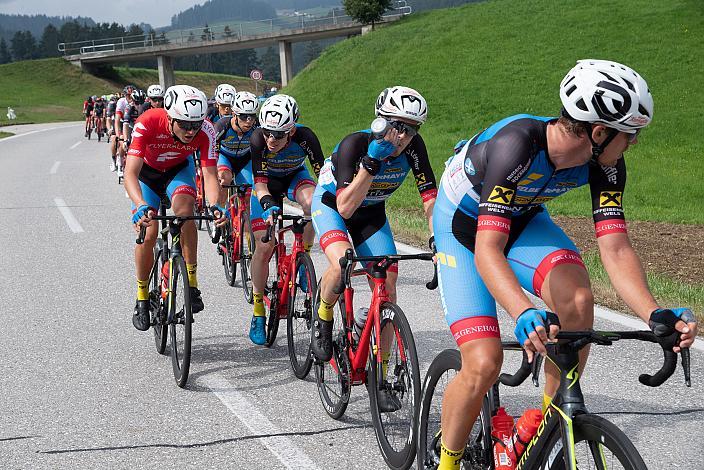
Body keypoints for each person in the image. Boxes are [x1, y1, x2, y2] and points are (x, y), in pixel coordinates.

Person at [431, 59, 698, 469]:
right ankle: (447, 459)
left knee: (576, 297)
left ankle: (544, 423)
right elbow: (487, 248)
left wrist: (653, 312)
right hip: (463, 227)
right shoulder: (517, 144)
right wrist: (522, 311)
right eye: (631, 134)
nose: (635, 143)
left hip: (522, 218)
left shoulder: (605, 162)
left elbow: (616, 248)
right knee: (484, 362)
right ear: (598, 131)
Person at [309, 86, 437, 381]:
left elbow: (429, 197)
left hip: (372, 213)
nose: (404, 137)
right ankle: (324, 314)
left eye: (413, 129)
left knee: (388, 286)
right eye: (398, 127)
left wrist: (436, 240)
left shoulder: (414, 147)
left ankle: (381, 374)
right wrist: (371, 163)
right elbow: (345, 208)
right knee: (343, 263)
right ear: (381, 121)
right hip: (333, 205)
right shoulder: (355, 144)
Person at [126, 85, 226, 331]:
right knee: (148, 232)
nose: (191, 131)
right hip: (147, 175)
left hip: (177, 171)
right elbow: (130, 173)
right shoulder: (147, 122)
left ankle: (191, 283)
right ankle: (141, 297)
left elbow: (210, 174)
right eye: (184, 124)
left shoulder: (207, 131)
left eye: (196, 124)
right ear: (169, 117)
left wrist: (214, 206)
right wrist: (140, 205)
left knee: (186, 213)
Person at [248, 94, 324, 344]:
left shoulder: (306, 137)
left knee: (313, 203)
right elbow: (259, 182)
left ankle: (304, 256)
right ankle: (258, 310)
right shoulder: (258, 138)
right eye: (268, 132)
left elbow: (322, 175)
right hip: (267, 186)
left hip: (294, 178)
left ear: (291, 130)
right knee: (264, 246)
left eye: (278, 135)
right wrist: (268, 203)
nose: (271, 139)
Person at [214, 91, 260, 206]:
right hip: (225, 158)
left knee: (247, 192)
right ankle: (221, 213)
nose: (249, 121)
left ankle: (243, 218)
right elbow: (212, 149)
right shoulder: (222, 125)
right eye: (244, 116)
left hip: (244, 159)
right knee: (225, 179)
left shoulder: (257, 126)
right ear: (234, 114)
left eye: (252, 116)